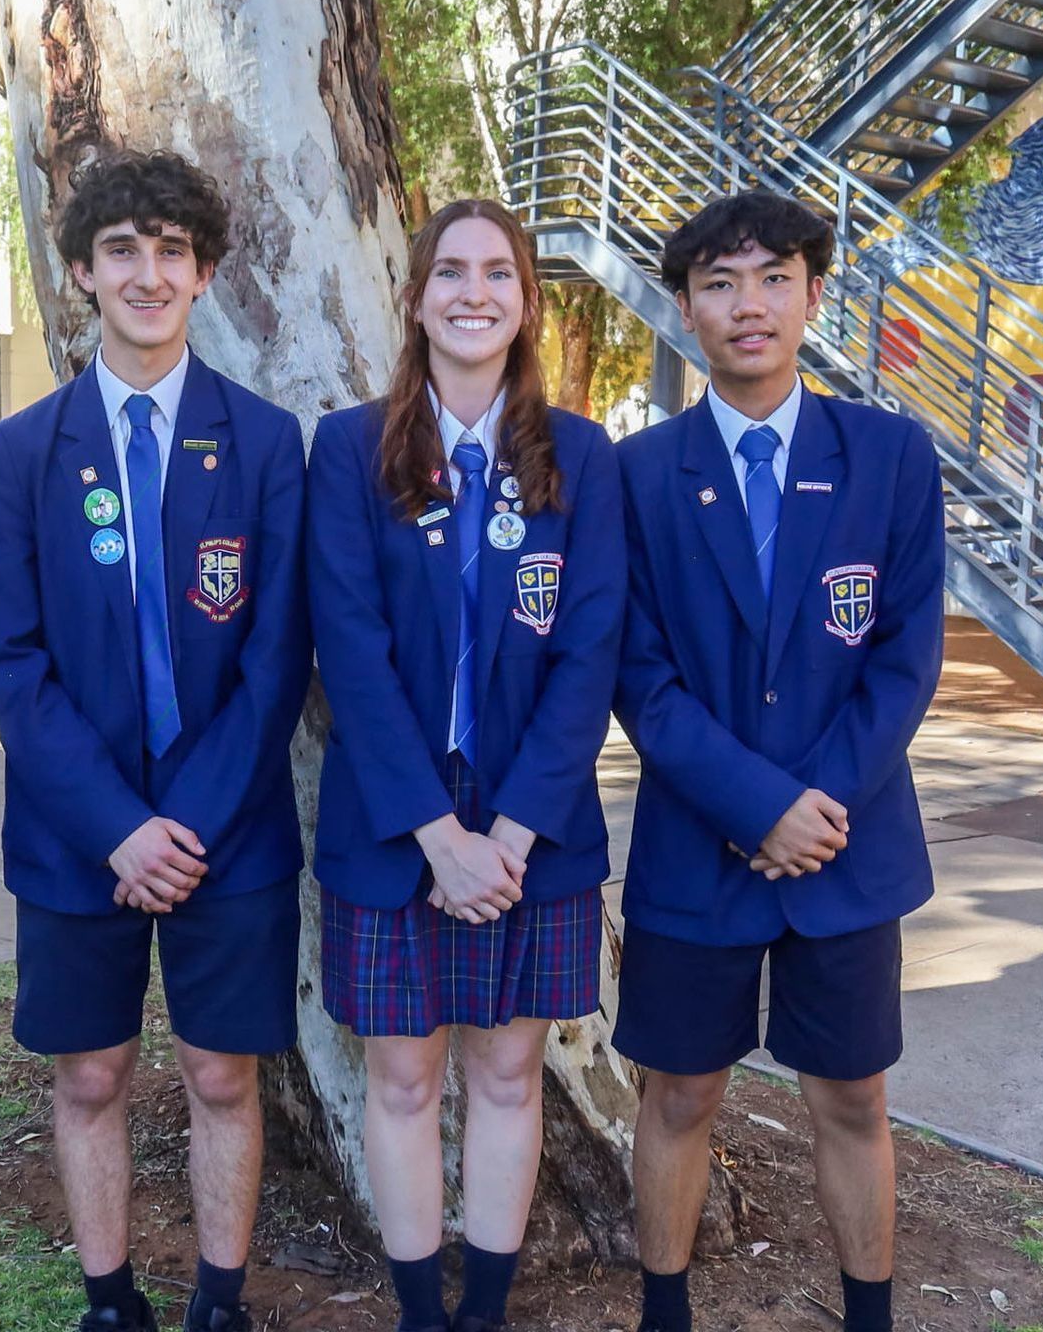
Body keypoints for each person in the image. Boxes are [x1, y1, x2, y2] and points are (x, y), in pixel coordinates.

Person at [0, 149, 310, 1332]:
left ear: (205, 273)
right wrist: (120, 828)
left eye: (172, 250)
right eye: (123, 250)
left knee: (222, 1074)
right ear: (81, 270)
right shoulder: (21, 453)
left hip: (231, 833)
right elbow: (8, 661)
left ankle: (220, 1301)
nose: (148, 273)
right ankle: (109, 1301)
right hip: (79, 837)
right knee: (92, 1074)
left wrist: (187, 824)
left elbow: (278, 656)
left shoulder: (268, 444)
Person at [612, 190, 945, 1332]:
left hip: (845, 848)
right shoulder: (638, 473)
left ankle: (869, 1316)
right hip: (695, 854)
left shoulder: (891, 456)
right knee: (680, 1092)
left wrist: (815, 805)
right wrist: (756, 806)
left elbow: (903, 661)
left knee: (852, 1095)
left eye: (770, 277)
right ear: (685, 309)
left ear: (812, 291)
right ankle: (666, 1312)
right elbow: (638, 675)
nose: (747, 304)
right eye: (718, 282)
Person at [306, 199, 626, 1332]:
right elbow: (344, 643)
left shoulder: (583, 458)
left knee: (504, 1077)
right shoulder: (349, 450)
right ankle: (417, 1313)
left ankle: (482, 1312)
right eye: (451, 272)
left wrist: (512, 832)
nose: (474, 292)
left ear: (527, 300)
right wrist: (434, 835)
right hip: (394, 829)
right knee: (400, 1081)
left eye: (498, 272)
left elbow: (589, 658)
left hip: (532, 831)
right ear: (416, 296)